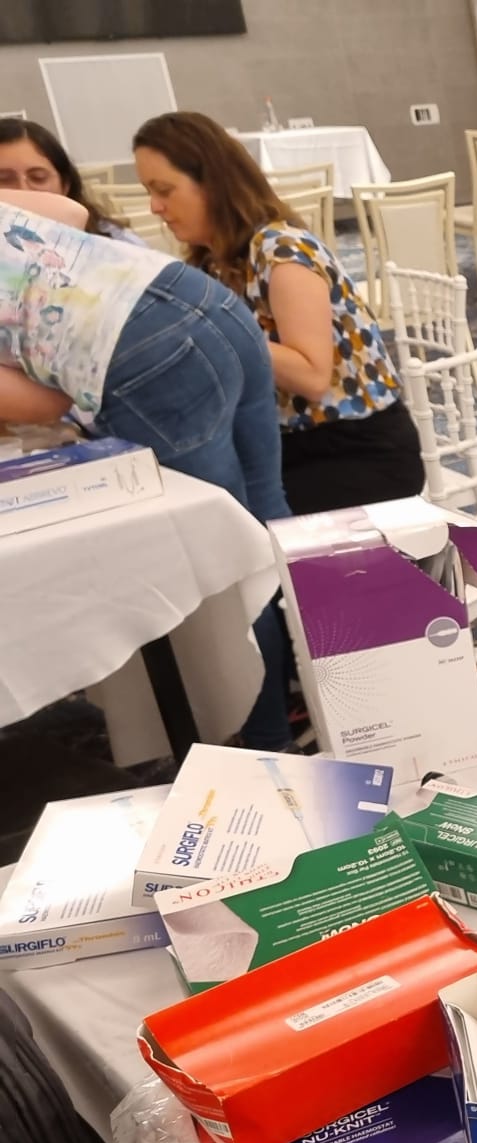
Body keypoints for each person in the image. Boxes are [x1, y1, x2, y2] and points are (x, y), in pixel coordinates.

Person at [0, 189, 294, 749]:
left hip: (143, 357)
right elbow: (70, 213)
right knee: (272, 525)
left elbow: (46, 406)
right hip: (202, 299)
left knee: (229, 561)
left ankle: (268, 741)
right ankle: (329, 701)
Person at [131, 112, 425, 514]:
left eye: (164, 190)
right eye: (149, 191)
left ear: (214, 184)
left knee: (230, 521)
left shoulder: (281, 251)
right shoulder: (213, 262)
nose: (155, 207)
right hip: (289, 444)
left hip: (357, 449)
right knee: (186, 501)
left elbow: (312, 376)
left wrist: (213, 331)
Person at [0, 120, 139, 243]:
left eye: (38, 178)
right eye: (3, 179)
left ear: (65, 185)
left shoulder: (112, 240)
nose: (23, 190)